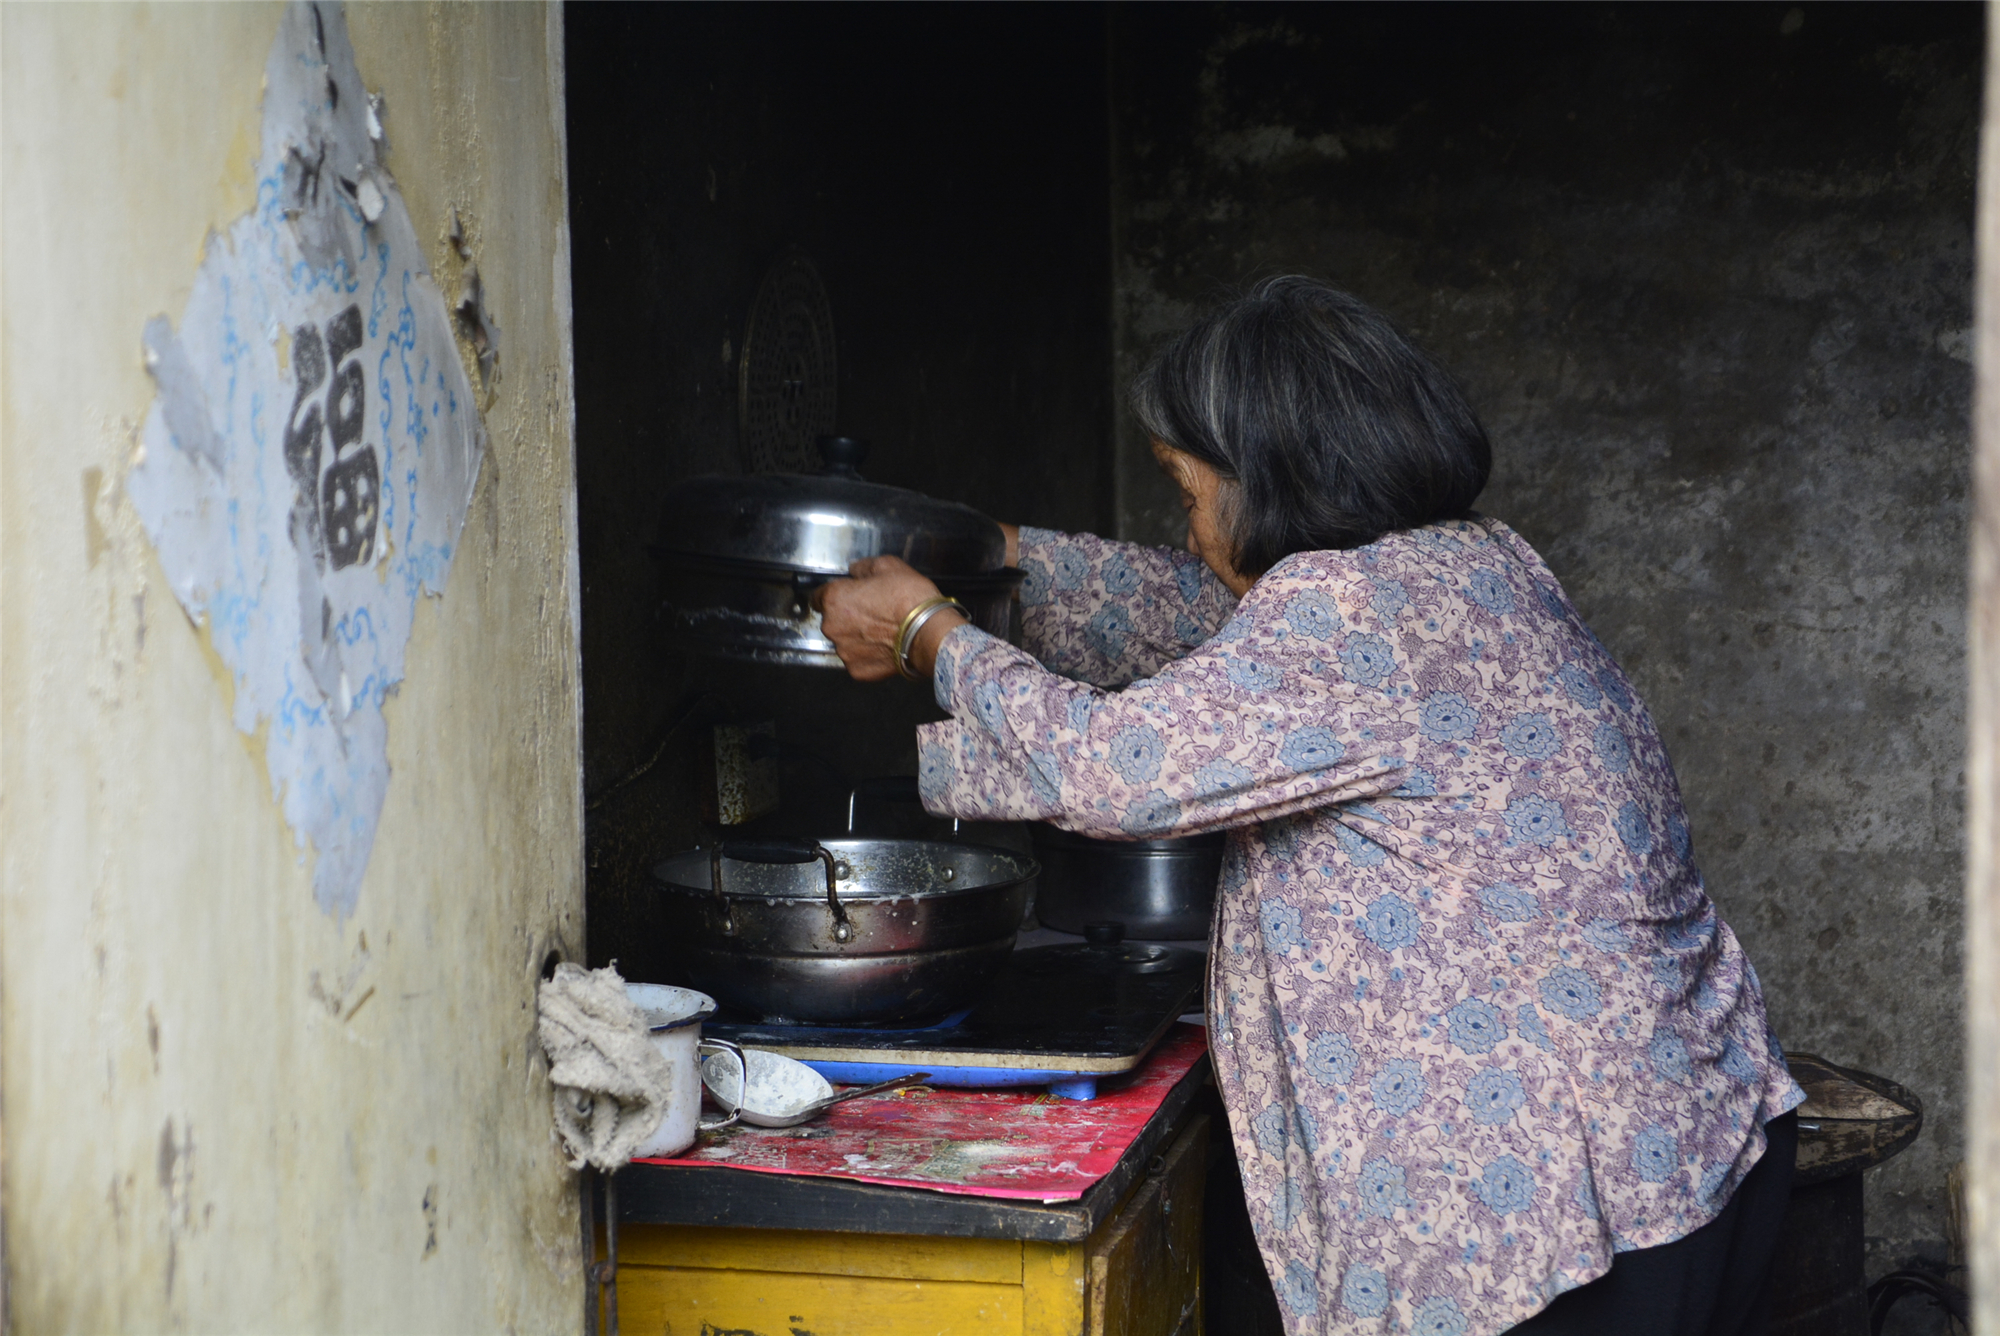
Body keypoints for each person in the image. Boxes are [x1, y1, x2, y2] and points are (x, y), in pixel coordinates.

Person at [814, 276, 1805, 1336]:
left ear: (1270, 479)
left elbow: (1107, 769)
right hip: (1686, 1141)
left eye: (1187, 494)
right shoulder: (1473, 563)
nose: (1190, 528)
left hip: (1551, 1205)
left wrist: (928, 633)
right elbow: (1201, 612)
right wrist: (1002, 558)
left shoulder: (1349, 611)